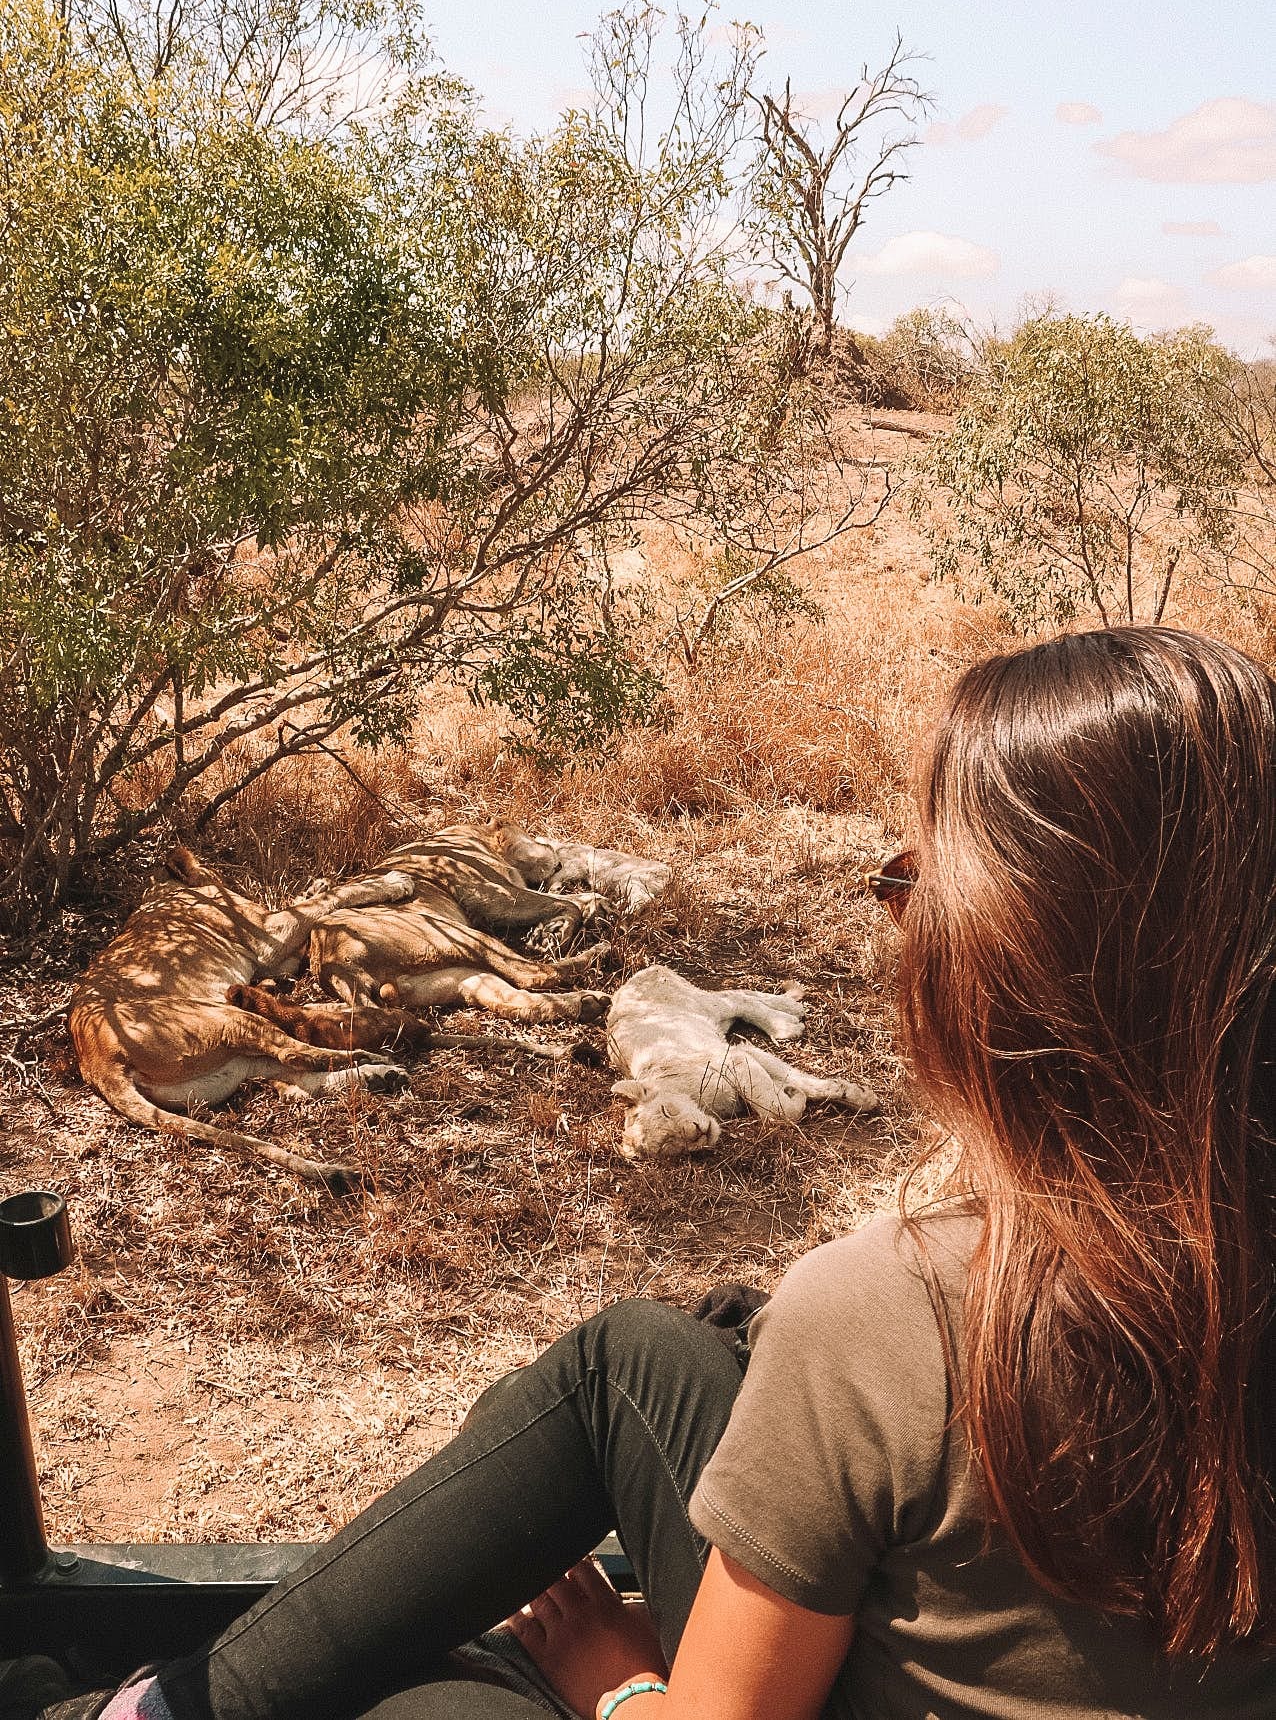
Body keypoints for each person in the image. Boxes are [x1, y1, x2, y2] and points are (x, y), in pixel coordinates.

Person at [8, 624, 1276, 1720]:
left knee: (438, 1691)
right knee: (637, 1354)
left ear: (991, 965)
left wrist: (619, 1677)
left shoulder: (891, 1313)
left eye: (909, 891)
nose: (895, 926)